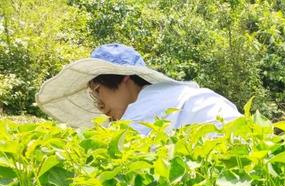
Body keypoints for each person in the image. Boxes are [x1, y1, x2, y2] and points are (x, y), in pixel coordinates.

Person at [37, 43, 241, 135]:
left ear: (124, 79)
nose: (99, 107)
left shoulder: (143, 111)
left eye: (97, 91)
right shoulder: (171, 95)